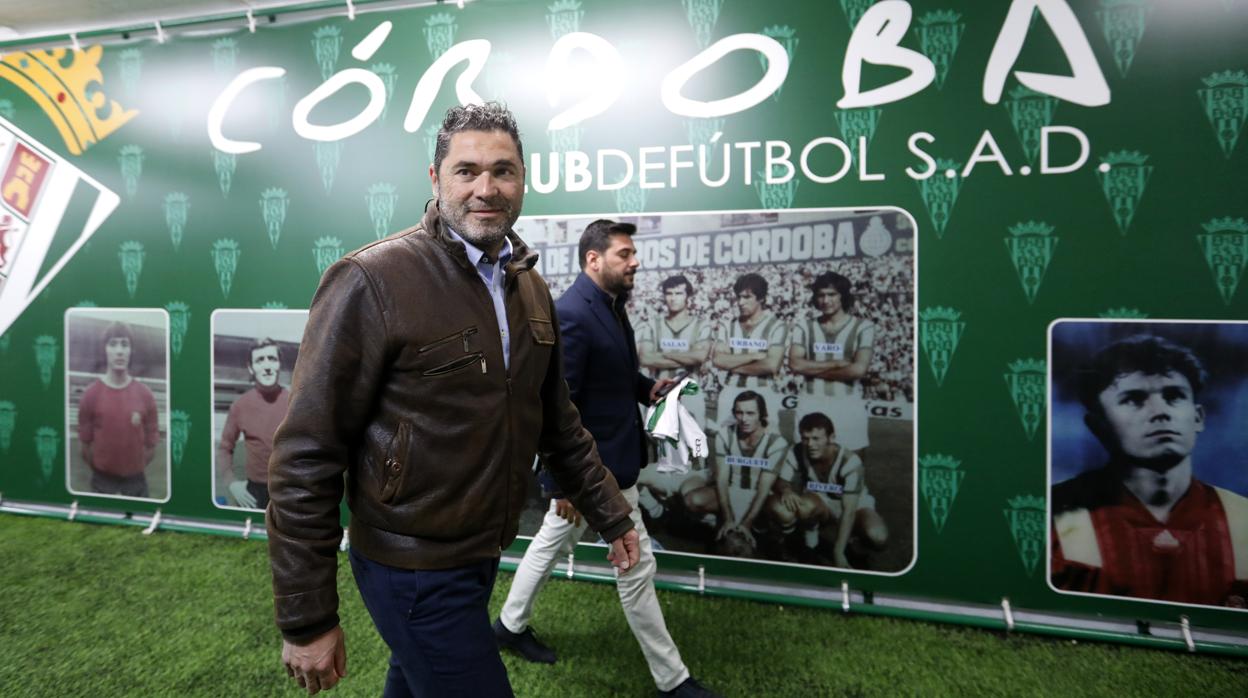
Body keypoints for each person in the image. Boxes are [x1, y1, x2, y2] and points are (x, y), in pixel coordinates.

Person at [266, 103, 641, 697]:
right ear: (435, 178)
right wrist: (306, 617)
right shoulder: (371, 280)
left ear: (524, 179)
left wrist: (610, 512)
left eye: (503, 171)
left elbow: (558, 422)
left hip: (482, 553)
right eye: (466, 171)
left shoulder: (529, 285)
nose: (486, 188)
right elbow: (306, 453)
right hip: (409, 567)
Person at [495, 220, 716, 698]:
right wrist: (562, 483)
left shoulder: (610, 307)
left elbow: (613, 371)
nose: (634, 261)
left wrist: (645, 388)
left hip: (607, 464)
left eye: (633, 253)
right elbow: (557, 402)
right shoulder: (573, 313)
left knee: (550, 544)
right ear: (593, 260)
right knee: (637, 568)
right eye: (624, 254)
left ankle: (509, 627)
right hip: (596, 472)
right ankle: (673, 680)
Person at [1051, 333, 1248, 607]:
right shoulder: (1055, 515)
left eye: (1174, 396)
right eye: (1133, 399)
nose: (1160, 412)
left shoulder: (1243, 517)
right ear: (1098, 426)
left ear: (1198, 417)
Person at [636, 274, 712, 524]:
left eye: (679, 293)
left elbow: (699, 357)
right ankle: (657, 506)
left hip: (689, 393)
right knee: (656, 445)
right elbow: (647, 358)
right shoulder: (652, 324)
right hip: (658, 391)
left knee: (687, 448)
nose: (673, 298)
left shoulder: (701, 325)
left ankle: (685, 505)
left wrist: (665, 353)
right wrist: (683, 355)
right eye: (669, 293)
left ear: (688, 296)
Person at [768, 412, 888, 568]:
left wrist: (838, 552)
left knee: (878, 536)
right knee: (801, 507)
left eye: (816, 438)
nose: (810, 444)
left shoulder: (850, 461)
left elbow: (849, 510)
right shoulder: (797, 451)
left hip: (856, 505)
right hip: (820, 500)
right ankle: (809, 541)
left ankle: (856, 546)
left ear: (831, 438)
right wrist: (786, 490)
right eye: (806, 438)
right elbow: (782, 481)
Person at [686, 390, 795, 557]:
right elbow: (721, 479)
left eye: (750, 413)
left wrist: (747, 523)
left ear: (762, 414)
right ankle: (719, 525)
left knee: (785, 512)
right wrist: (728, 517)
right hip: (731, 490)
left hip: (760, 496)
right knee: (693, 500)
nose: (744, 419)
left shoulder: (776, 442)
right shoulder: (725, 434)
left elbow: (764, 488)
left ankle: (776, 537)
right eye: (739, 412)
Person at [788, 271, 874, 451]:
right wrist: (837, 363)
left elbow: (858, 370)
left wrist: (810, 368)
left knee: (853, 463)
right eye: (821, 295)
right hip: (810, 400)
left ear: (843, 295)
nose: (825, 300)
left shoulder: (863, 327)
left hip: (847, 401)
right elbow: (795, 364)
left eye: (831, 294)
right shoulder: (804, 326)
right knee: (806, 462)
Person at [77, 320, 158, 498]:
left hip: (136, 484)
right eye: (113, 344)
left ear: (131, 351)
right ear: (105, 350)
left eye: (124, 344)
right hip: (102, 482)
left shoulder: (145, 395)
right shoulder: (91, 395)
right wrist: (104, 471)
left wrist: (132, 471)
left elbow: (151, 448)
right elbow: (85, 449)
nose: (119, 351)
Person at [216, 338, 289, 510]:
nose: (267, 366)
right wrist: (232, 482)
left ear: (279, 364)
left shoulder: (295, 402)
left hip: (289, 490)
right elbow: (225, 448)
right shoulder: (240, 406)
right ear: (251, 367)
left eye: (272, 359)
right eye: (260, 360)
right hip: (255, 492)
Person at [711, 273, 786, 391]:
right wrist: (755, 356)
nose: (740, 302)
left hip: (764, 391)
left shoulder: (776, 326)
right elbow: (718, 360)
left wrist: (731, 365)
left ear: (761, 298)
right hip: (730, 390)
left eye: (747, 297)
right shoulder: (728, 325)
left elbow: (771, 365)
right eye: (739, 297)